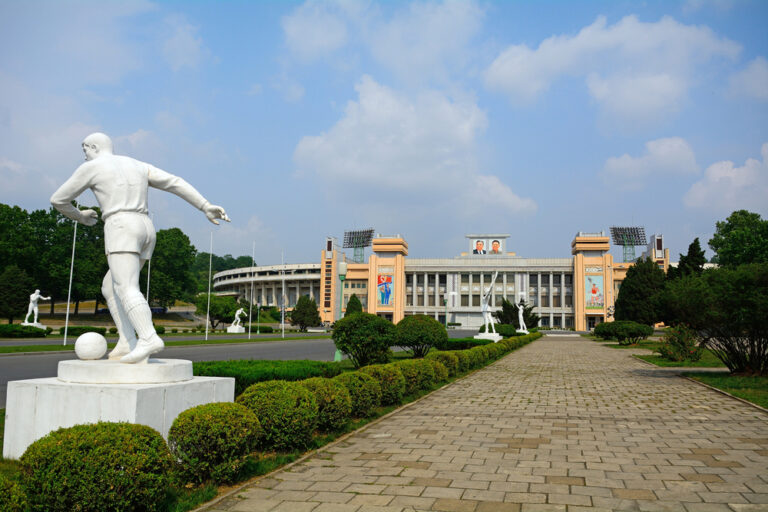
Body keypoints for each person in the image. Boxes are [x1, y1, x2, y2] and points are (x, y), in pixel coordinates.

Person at [51, 132, 229, 364]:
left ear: (93, 147)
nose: (84, 155)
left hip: (121, 225)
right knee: (110, 286)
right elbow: (175, 182)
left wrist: (80, 217)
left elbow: (58, 199)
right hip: (146, 227)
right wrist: (204, 205)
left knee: (126, 287)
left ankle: (148, 337)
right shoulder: (136, 165)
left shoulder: (93, 167)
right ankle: (127, 340)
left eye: (85, 149)